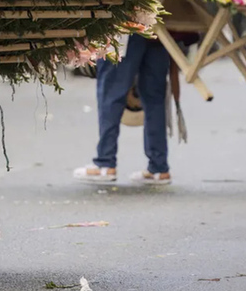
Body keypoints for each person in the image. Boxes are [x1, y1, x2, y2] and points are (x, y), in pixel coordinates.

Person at [73, 34, 172, 185]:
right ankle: (159, 168)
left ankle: (105, 163)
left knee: (111, 91)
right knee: (155, 98)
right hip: (159, 28)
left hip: (125, 29)